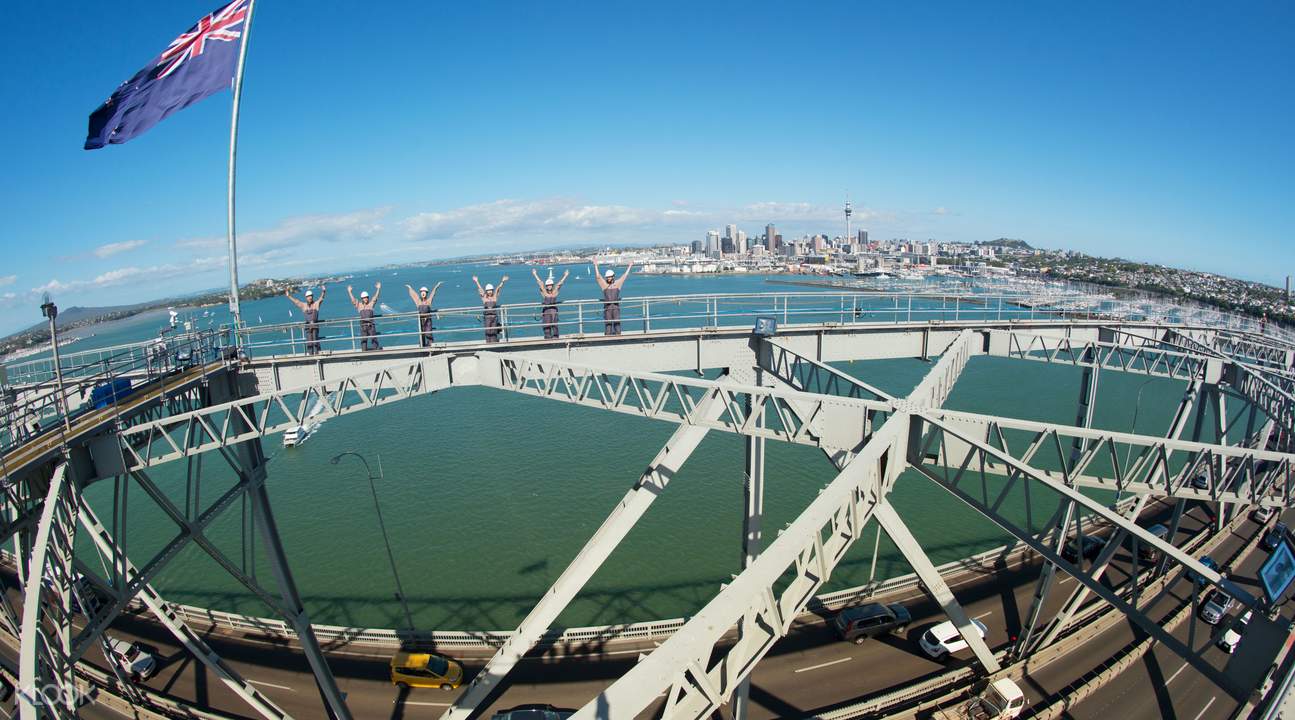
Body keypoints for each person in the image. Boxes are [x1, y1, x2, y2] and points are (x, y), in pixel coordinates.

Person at [594, 261, 633, 336]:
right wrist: (595, 265)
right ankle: (607, 338)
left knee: (617, 323)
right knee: (608, 324)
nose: (608, 278)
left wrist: (630, 266)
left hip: (615, 307)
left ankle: (618, 337)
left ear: (613, 276)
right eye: (607, 277)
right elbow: (598, 277)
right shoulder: (604, 285)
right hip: (607, 308)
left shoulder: (617, 284)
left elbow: (624, 276)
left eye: (609, 277)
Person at [284, 286, 326, 354]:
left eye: (311, 296)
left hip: (315, 327)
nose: (310, 297)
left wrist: (323, 291)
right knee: (309, 343)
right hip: (308, 328)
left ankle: (317, 353)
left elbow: (321, 298)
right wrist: (289, 296)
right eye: (308, 296)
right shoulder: (304, 305)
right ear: (306, 297)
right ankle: (310, 355)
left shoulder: (316, 304)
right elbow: (296, 302)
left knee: (316, 341)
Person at [531, 268, 570, 339]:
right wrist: (535, 274)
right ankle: (547, 337)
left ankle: (555, 337)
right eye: (548, 285)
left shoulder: (555, 292)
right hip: (546, 310)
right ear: (546, 286)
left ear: (552, 285)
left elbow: (559, 284)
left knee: (554, 324)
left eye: (550, 285)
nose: (549, 286)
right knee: (546, 325)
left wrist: (565, 276)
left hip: (553, 310)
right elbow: (540, 283)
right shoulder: (544, 292)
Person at [406, 282, 443, 347]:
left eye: (425, 292)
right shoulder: (418, 301)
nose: (423, 293)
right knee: (422, 334)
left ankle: (430, 346)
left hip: (428, 320)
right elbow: (414, 295)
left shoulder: (429, 301)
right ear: (420, 293)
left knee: (428, 334)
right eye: (422, 292)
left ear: (426, 293)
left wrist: (437, 286)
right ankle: (422, 347)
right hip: (421, 320)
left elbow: (432, 294)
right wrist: (410, 288)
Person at [472, 275, 508, 343]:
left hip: (494, 317)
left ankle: (494, 342)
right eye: (488, 291)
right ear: (486, 291)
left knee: (494, 330)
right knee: (488, 330)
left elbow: (498, 288)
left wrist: (502, 281)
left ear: (492, 290)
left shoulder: (495, 297)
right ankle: (488, 342)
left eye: (490, 290)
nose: (489, 292)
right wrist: (477, 281)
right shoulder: (484, 298)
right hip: (487, 317)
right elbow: (480, 289)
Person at [347, 282, 382, 351]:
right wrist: (350, 292)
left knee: (374, 339)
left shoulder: (371, 304)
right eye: (364, 298)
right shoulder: (359, 305)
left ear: (368, 298)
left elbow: (375, 297)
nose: (365, 299)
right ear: (362, 299)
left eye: (366, 298)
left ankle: (376, 350)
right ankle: (364, 351)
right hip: (363, 325)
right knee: (363, 340)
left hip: (371, 325)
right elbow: (353, 300)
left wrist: (378, 289)